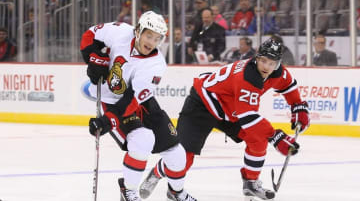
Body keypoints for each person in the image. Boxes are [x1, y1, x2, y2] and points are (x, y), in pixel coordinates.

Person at [140, 38, 310, 200]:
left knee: (257, 138)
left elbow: (289, 86)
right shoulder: (247, 77)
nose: (267, 66)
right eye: (264, 60)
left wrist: (298, 106)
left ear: (278, 64)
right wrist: (276, 137)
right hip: (203, 104)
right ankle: (158, 172)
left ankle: (251, 182)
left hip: (230, 110)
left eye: (272, 63)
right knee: (184, 158)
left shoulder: (278, 73)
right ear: (257, 58)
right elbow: (249, 118)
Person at [80, 11, 196, 201]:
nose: (151, 42)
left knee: (177, 155)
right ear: (138, 30)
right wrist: (93, 58)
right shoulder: (120, 32)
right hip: (110, 100)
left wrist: (107, 122)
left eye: (157, 39)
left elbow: (132, 100)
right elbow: (90, 35)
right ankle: (129, 191)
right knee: (143, 140)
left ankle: (176, 192)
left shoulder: (156, 65)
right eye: (149, 35)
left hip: (138, 101)